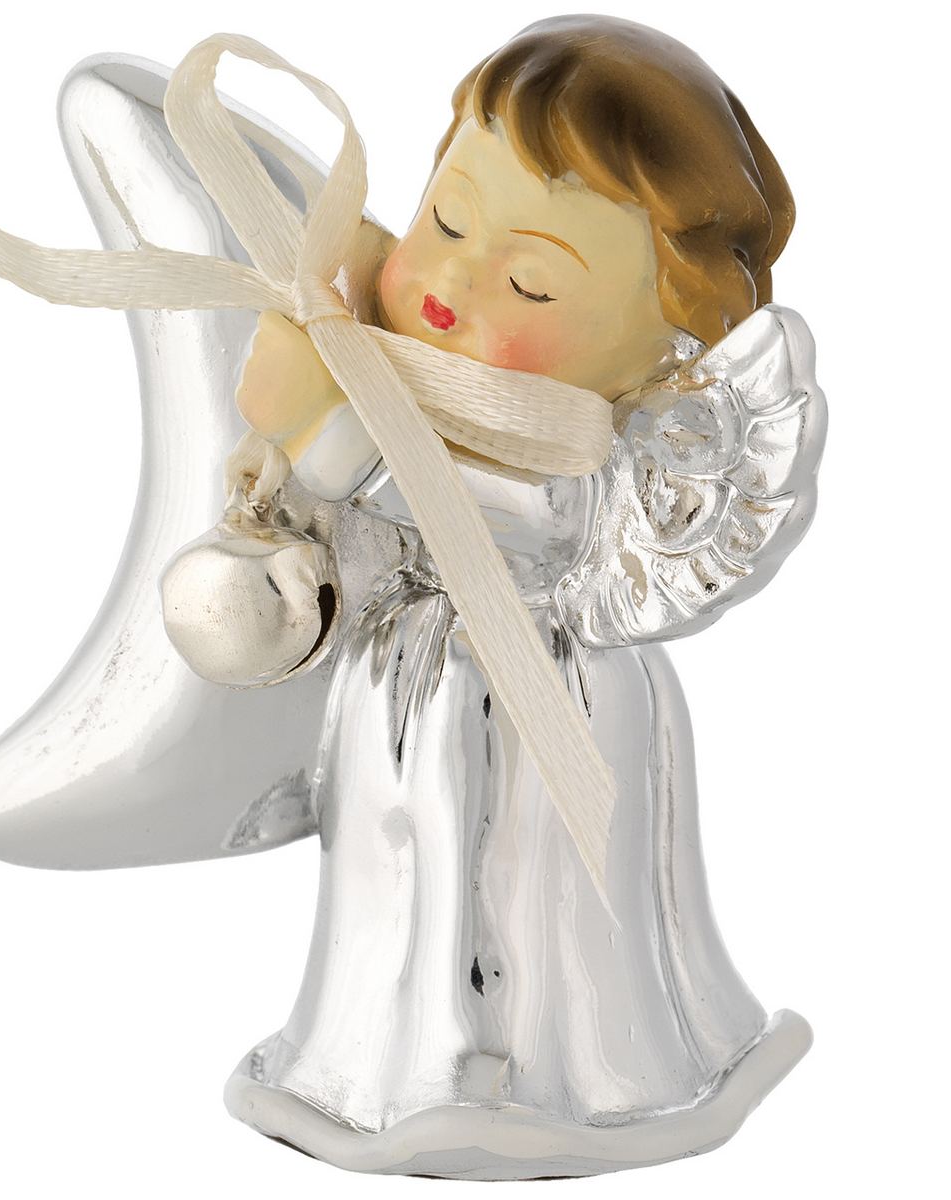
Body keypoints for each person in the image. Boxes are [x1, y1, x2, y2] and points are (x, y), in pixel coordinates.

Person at [224, 15, 822, 1177]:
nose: (451, 278)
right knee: (394, 857)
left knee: (508, 878)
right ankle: (364, 1061)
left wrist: (323, 423)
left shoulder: (575, 470)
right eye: (448, 219)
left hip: (543, 697)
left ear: (662, 352)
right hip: (399, 682)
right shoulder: (395, 374)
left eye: (532, 281)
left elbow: (477, 502)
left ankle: (542, 1078)